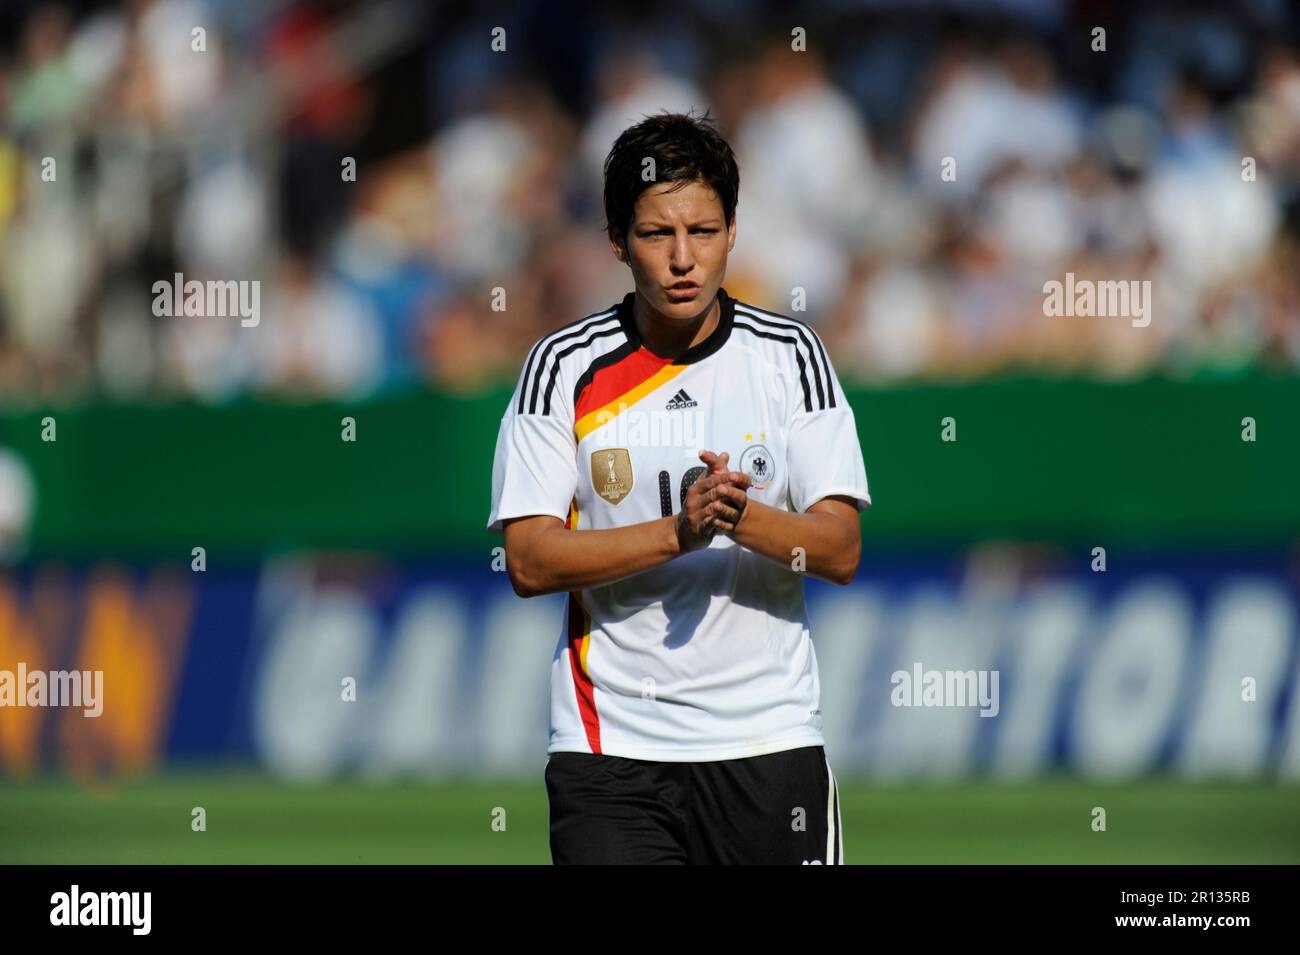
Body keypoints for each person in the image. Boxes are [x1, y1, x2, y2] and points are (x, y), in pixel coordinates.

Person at [487, 110, 871, 864]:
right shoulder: (562, 369)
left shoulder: (791, 357)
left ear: (733, 231)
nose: (683, 258)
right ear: (616, 241)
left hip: (769, 743)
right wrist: (678, 532)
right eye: (658, 234)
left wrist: (737, 515)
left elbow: (840, 549)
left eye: (703, 230)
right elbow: (529, 561)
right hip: (611, 754)